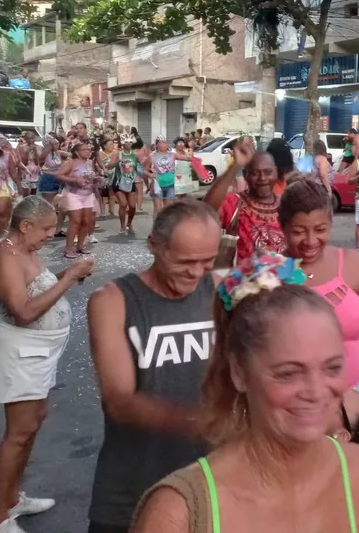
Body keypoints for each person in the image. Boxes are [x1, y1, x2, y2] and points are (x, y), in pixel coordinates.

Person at [132, 255, 359, 533]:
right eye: (289, 372)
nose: (316, 391)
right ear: (239, 372)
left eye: (332, 367)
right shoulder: (178, 514)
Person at [86, 201, 220, 533]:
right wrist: (206, 422)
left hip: (210, 482)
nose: (196, 273)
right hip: (133, 488)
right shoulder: (113, 301)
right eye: (185, 261)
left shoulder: (218, 289)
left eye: (207, 261)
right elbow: (119, 400)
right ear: (154, 246)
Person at [0, 197, 94, 533]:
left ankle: (10, 497)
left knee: (33, 423)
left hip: (39, 353)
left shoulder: (26, 251)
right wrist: (68, 280)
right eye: (47, 228)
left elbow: (39, 290)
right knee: (19, 434)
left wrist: (71, 274)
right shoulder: (6, 256)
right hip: (22, 353)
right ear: (25, 226)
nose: (52, 235)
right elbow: (22, 312)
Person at [278, 176, 359, 432]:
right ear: (283, 227)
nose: (310, 241)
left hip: (356, 398)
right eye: (298, 231)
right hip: (297, 409)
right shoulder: (269, 274)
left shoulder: (353, 265)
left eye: (320, 230)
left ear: (330, 224)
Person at [204, 136, 284, 265]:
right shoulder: (235, 203)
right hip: (242, 283)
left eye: (268, 172)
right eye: (255, 173)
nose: (262, 178)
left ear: (276, 173)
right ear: (245, 175)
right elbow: (204, 211)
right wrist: (235, 166)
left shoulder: (287, 205)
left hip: (283, 282)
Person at [54, 141, 98, 258]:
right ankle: (69, 248)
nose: (88, 152)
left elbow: (91, 177)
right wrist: (74, 180)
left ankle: (80, 246)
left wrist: (97, 180)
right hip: (74, 195)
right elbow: (58, 175)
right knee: (75, 221)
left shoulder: (90, 163)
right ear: (77, 152)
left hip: (88, 194)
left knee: (85, 221)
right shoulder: (71, 163)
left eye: (89, 150)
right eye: (85, 150)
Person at [145, 136, 188, 215]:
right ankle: (157, 226)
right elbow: (144, 171)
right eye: (160, 143)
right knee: (158, 209)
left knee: (167, 209)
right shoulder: (151, 156)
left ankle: (165, 226)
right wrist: (150, 175)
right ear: (156, 145)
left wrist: (196, 160)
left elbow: (185, 158)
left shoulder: (173, 155)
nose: (162, 145)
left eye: (164, 143)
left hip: (170, 185)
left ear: (167, 144)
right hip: (157, 185)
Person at [114, 138, 140, 234]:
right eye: (126, 142)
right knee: (123, 204)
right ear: (122, 143)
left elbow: (141, 166)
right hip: (118, 181)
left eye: (130, 142)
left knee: (133, 206)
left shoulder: (135, 155)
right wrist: (118, 162)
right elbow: (109, 165)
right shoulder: (118, 154)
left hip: (130, 181)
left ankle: (129, 223)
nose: (128, 144)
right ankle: (122, 226)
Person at [0, 137, 19, 234]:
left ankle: (3, 238)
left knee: (1, 211)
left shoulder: (7, 156)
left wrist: (19, 186)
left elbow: (13, 173)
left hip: (2, 186)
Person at [97, 138, 119, 216]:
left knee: (112, 192)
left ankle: (112, 210)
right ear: (104, 146)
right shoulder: (100, 153)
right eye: (110, 144)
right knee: (103, 194)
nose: (112, 146)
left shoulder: (116, 153)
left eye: (113, 144)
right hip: (103, 175)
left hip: (113, 175)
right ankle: (103, 210)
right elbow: (97, 164)